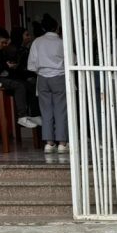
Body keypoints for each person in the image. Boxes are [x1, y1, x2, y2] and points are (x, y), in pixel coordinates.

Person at [27, 16, 68, 152]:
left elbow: (31, 65)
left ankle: (49, 143)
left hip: (42, 79)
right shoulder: (62, 42)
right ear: (57, 28)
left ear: (43, 28)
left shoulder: (37, 42)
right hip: (59, 77)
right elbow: (72, 61)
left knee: (46, 111)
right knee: (60, 110)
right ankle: (62, 143)